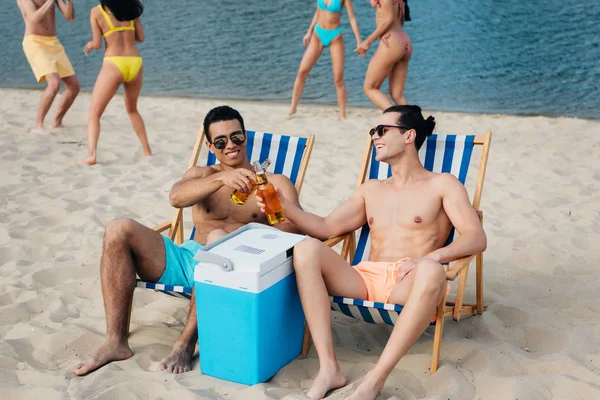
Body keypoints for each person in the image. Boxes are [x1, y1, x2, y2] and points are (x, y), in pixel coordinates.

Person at [257, 105, 487, 399]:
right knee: (305, 249)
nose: (375, 137)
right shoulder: (371, 189)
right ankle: (329, 368)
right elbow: (327, 227)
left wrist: (431, 258)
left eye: (382, 130)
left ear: (409, 136)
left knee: (432, 270)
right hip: (364, 279)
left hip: (409, 282)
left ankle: (375, 380)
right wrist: (284, 207)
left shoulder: (442, 184)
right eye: (372, 132)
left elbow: (476, 237)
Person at [72, 106, 302, 376]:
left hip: (238, 271)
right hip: (189, 259)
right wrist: (220, 178)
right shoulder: (202, 175)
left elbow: (292, 234)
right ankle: (115, 341)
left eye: (236, 137)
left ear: (245, 137)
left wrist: (270, 217)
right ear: (209, 145)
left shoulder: (275, 183)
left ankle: (184, 344)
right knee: (117, 228)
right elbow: (176, 198)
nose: (230, 145)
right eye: (220, 141)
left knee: (218, 239)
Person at [78, 0, 151, 165]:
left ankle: (91, 155)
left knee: (94, 114)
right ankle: (147, 150)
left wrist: (91, 44)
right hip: (135, 62)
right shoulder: (131, 8)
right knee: (132, 110)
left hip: (114, 63)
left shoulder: (97, 12)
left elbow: (97, 44)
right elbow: (141, 38)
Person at [288, 0, 361, 120]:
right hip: (318, 34)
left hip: (335, 36)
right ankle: (293, 107)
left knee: (338, 78)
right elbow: (318, 11)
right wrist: (309, 32)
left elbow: (352, 18)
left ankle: (342, 115)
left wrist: (358, 41)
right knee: (302, 72)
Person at [17, 0, 81, 133]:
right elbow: (34, 18)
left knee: (74, 86)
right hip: (35, 42)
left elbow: (69, 17)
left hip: (54, 43)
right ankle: (38, 125)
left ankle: (57, 122)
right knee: (54, 83)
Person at [356, 0, 412, 110]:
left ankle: (394, 117)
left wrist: (368, 41)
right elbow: (399, 21)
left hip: (391, 42)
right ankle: (413, 124)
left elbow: (389, 19)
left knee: (370, 88)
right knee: (397, 95)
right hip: (404, 40)